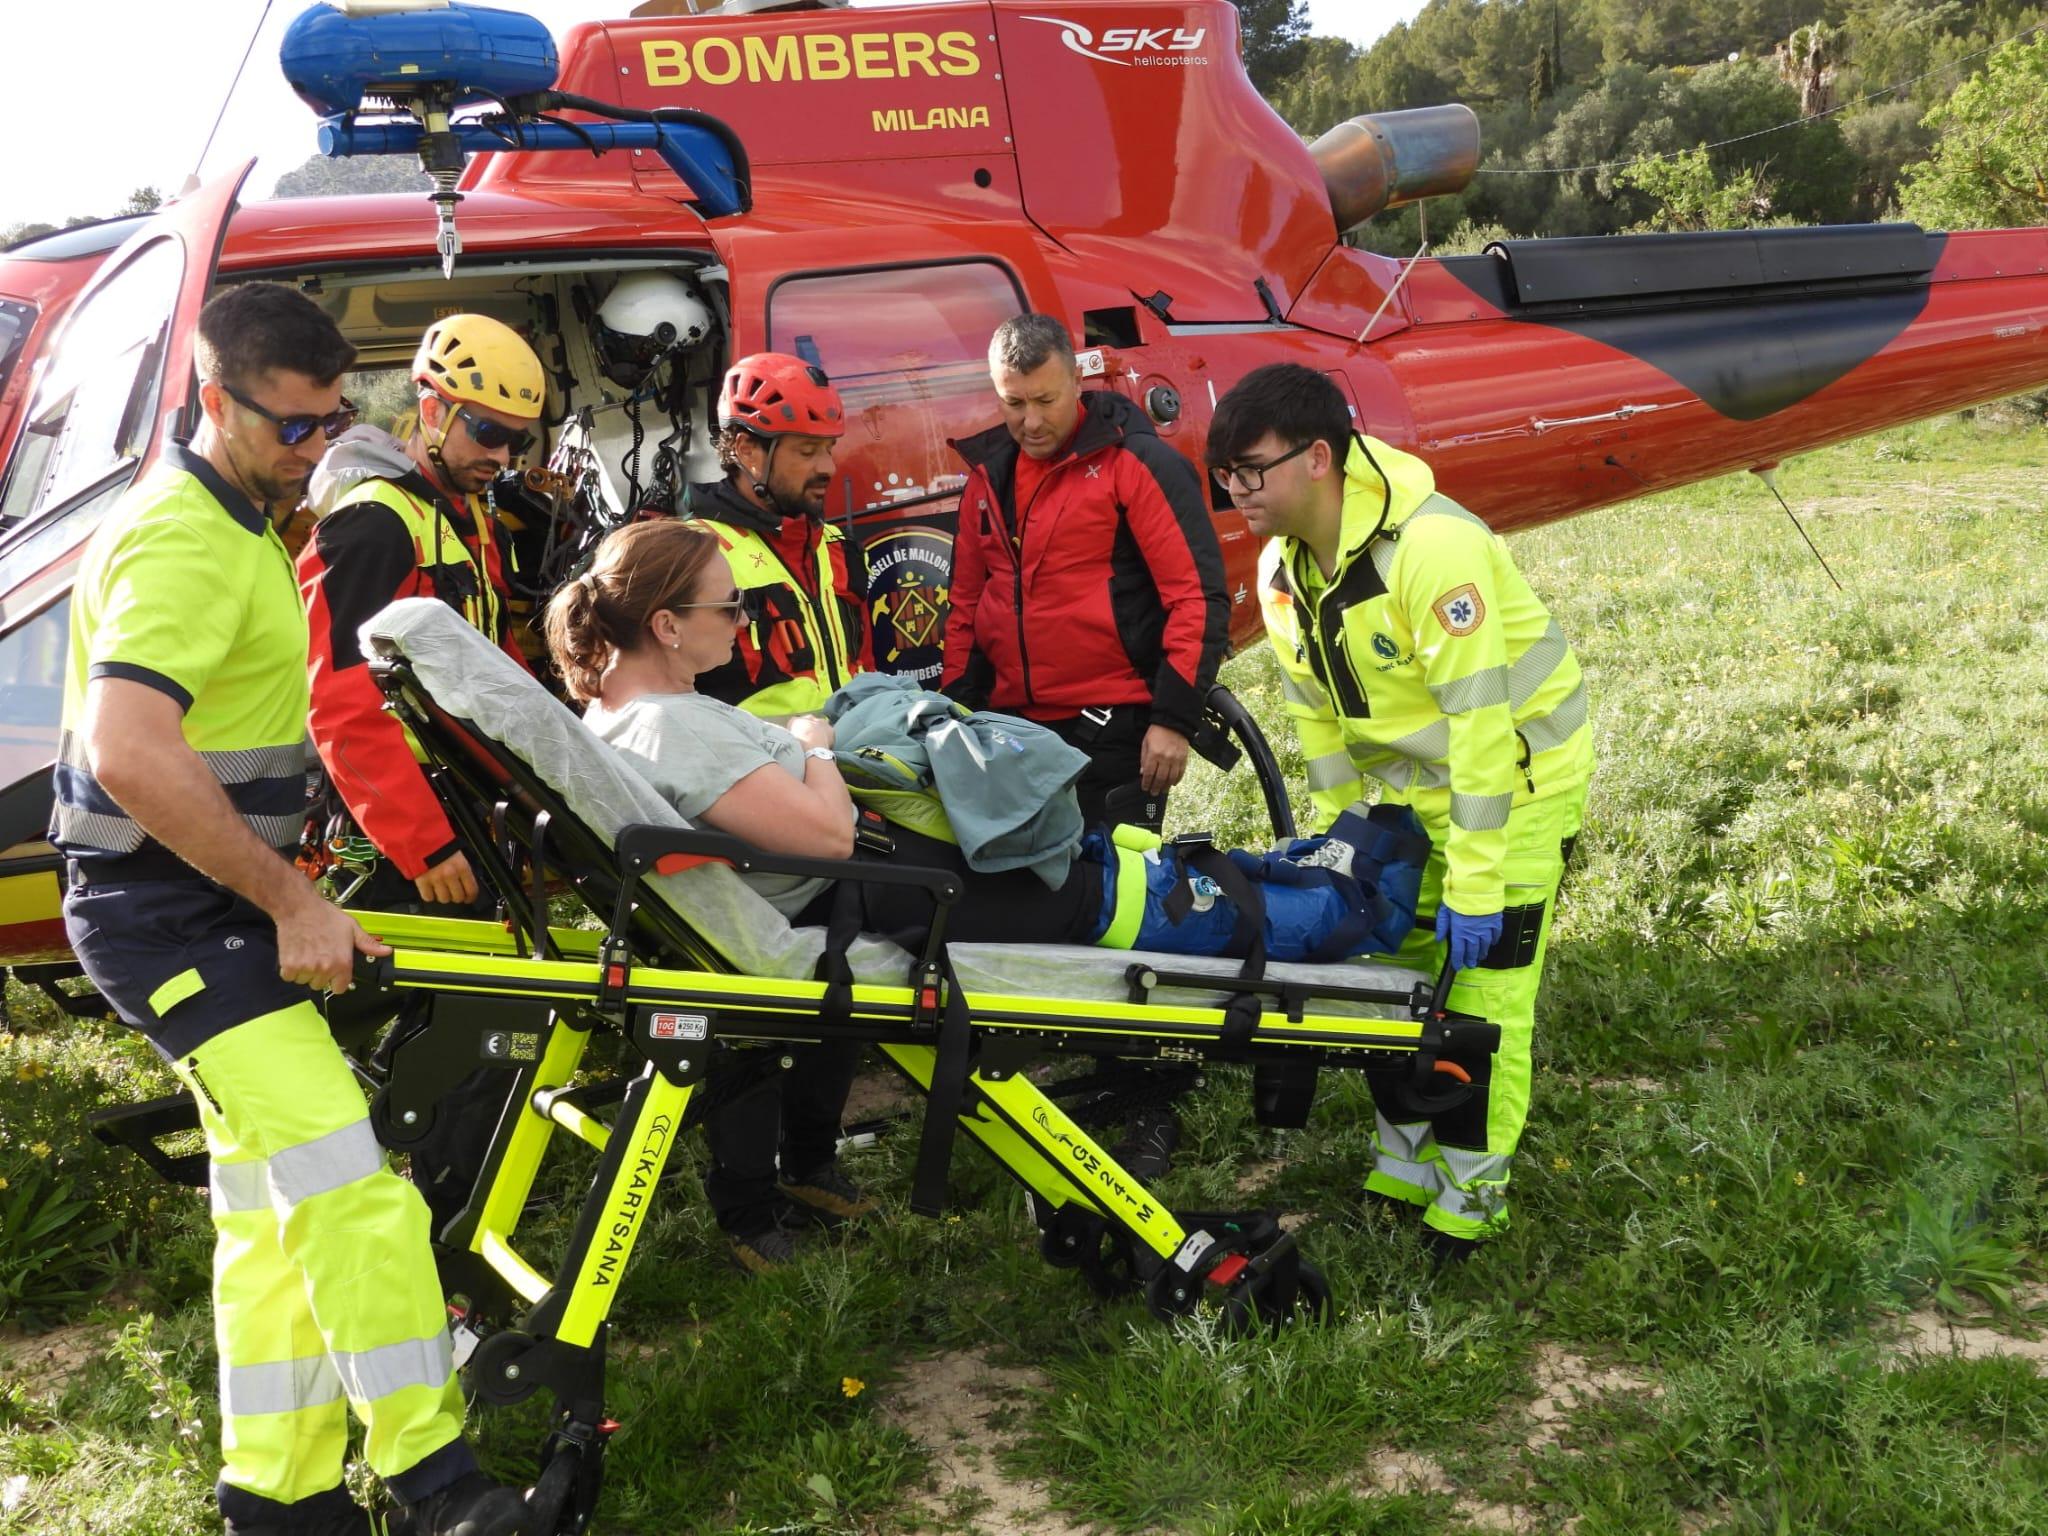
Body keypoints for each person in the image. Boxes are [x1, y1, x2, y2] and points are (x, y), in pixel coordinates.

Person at [51, 284, 532, 1535]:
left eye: (333, 423)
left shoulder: (245, 520)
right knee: (355, 1185)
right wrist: (291, 901)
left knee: (272, 1216)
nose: (316, 451)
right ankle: (440, 1489)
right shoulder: (181, 537)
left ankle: (279, 1500)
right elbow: (129, 750)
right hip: (173, 919)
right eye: (294, 428)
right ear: (218, 401)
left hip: (203, 908)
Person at [1207, 362, 1594, 1260]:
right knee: (1393, 981)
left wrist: (1479, 877)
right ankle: (1409, 1166)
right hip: (1413, 795)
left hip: (1517, 782)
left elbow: (1482, 728)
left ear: (1317, 459)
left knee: (1484, 999)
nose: (1237, 492)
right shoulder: (1279, 570)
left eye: (1250, 470)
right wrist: (1344, 849)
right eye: (1225, 474)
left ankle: (1471, 1204)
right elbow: (1318, 720)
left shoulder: (1433, 550)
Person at [299, 312, 546, 912]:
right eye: (487, 431)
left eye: (519, 439)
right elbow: (340, 702)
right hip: (398, 822)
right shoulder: (372, 525)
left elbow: (494, 660)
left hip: (467, 802)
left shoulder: (465, 517)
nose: (504, 454)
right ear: (432, 412)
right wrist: (423, 845)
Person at [943, 313, 1228, 831]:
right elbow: (966, 606)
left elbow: (1197, 598)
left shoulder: (1136, 464)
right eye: (1014, 403)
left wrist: (1172, 719)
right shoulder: (986, 480)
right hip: (1011, 734)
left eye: (1045, 401)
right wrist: (955, 715)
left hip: (1113, 730)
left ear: (1078, 380)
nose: (1030, 421)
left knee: (1117, 898)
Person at [685, 353, 871, 717]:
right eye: (807, 452)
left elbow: (865, 666)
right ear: (746, 449)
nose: (828, 468)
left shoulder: (836, 547)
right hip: (761, 768)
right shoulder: (695, 556)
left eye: (829, 449)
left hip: (850, 763)